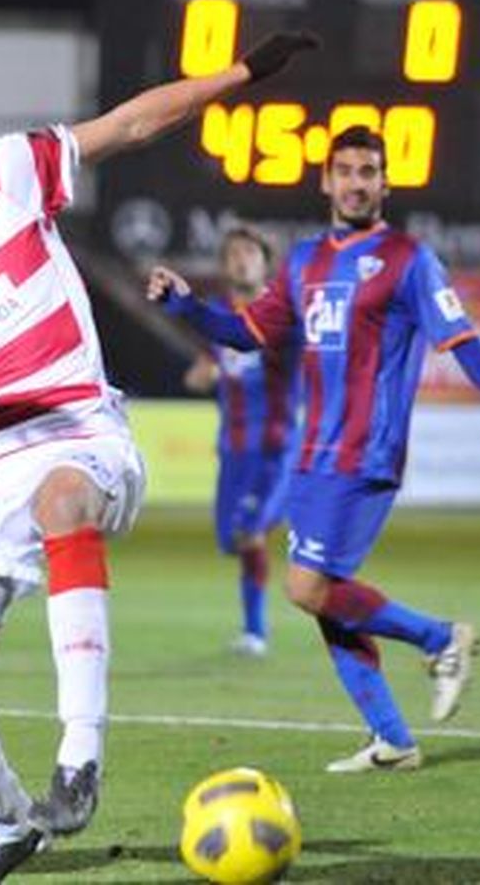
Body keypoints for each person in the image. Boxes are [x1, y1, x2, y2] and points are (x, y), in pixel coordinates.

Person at [0, 31, 317, 884]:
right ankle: (7, 822)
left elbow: (130, 125)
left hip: (74, 427)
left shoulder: (6, 169)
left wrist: (240, 74)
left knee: (62, 501)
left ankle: (81, 751)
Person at [148, 124, 480, 774]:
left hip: (365, 449)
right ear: (327, 179)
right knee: (325, 596)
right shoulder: (302, 262)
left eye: (369, 171)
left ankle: (442, 638)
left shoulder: (410, 258)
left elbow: (460, 336)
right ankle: (392, 737)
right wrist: (187, 307)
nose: (357, 182)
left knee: (306, 586)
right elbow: (244, 332)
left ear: (386, 182)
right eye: (347, 170)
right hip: (312, 452)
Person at [180, 225, 299, 657]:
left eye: (250, 252)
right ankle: (274, 518)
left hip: (275, 447)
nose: (241, 260)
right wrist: (201, 374)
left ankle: (255, 632)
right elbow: (206, 367)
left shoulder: (284, 313)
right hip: (233, 450)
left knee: (249, 535)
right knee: (230, 540)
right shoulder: (220, 316)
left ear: (266, 262)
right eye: (233, 254)